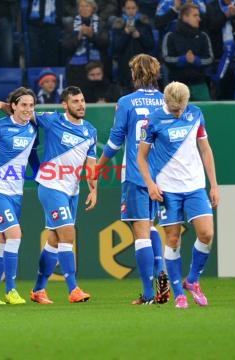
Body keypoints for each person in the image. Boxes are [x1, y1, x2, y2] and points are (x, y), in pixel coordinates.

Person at [0, 85, 97, 304]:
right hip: (51, 186)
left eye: (83, 100)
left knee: (55, 240)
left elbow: (91, 164)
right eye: (75, 101)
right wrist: (3, 105)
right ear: (65, 105)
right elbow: (25, 113)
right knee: (68, 234)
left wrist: (94, 189)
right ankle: (73, 289)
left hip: (72, 190)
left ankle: (39, 290)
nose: (81, 104)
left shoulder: (90, 130)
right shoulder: (52, 120)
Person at [137, 81, 219, 309]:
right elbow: (141, 157)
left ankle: (192, 280)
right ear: (166, 102)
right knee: (173, 239)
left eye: (181, 107)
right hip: (167, 189)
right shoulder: (152, 120)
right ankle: (178, 292)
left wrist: (214, 184)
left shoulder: (196, 114)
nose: (179, 112)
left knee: (206, 234)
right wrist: (150, 184)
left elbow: (205, 149)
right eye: (174, 109)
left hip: (194, 186)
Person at [96, 54, 170, 305]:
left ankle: (149, 293)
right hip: (162, 176)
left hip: (137, 176)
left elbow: (116, 139)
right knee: (151, 227)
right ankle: (162, 278)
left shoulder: (126, 102)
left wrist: (98, 166)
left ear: (136, 74)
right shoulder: (166, 101)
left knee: (140, 233)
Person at [0, 87, 38, 306]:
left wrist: (5, 106)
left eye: (31, 106)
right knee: (15, 234)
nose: (28, 109)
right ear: (14, 105)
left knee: (2, 241)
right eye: (23, 105)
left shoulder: (33, 127)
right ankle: (11, 289)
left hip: (16, 191)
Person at [161, 4, 214, 101]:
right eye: (195, 15)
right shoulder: (171, 36)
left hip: (200, 84)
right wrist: (183, 59)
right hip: (177, 87)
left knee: (207, 115)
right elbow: (166, 58)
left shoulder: (203, 36)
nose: (199, 19)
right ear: (185, 17)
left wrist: (196, 60)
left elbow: (210, 58)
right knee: (175, 115)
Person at [111, 0, 156, 93]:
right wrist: (125, 33)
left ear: (137, 9)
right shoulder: (118, 26)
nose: (131, 11)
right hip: (124, 67)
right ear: (123, 9)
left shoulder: (144, 24)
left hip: (142, 67)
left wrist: (140, 36)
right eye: (128, 8)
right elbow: (116, 47)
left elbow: (151, 45)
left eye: (133, 8)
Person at [65, 0, 109, 91]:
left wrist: (92, 36)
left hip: (97, 63)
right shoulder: (70, 24)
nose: (84, 9)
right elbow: (66, 47)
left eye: (87, 6)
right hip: (76, 66)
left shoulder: (101, 23)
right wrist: (79, 36)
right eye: (81, 6)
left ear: (93, 8)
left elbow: (105, 43)